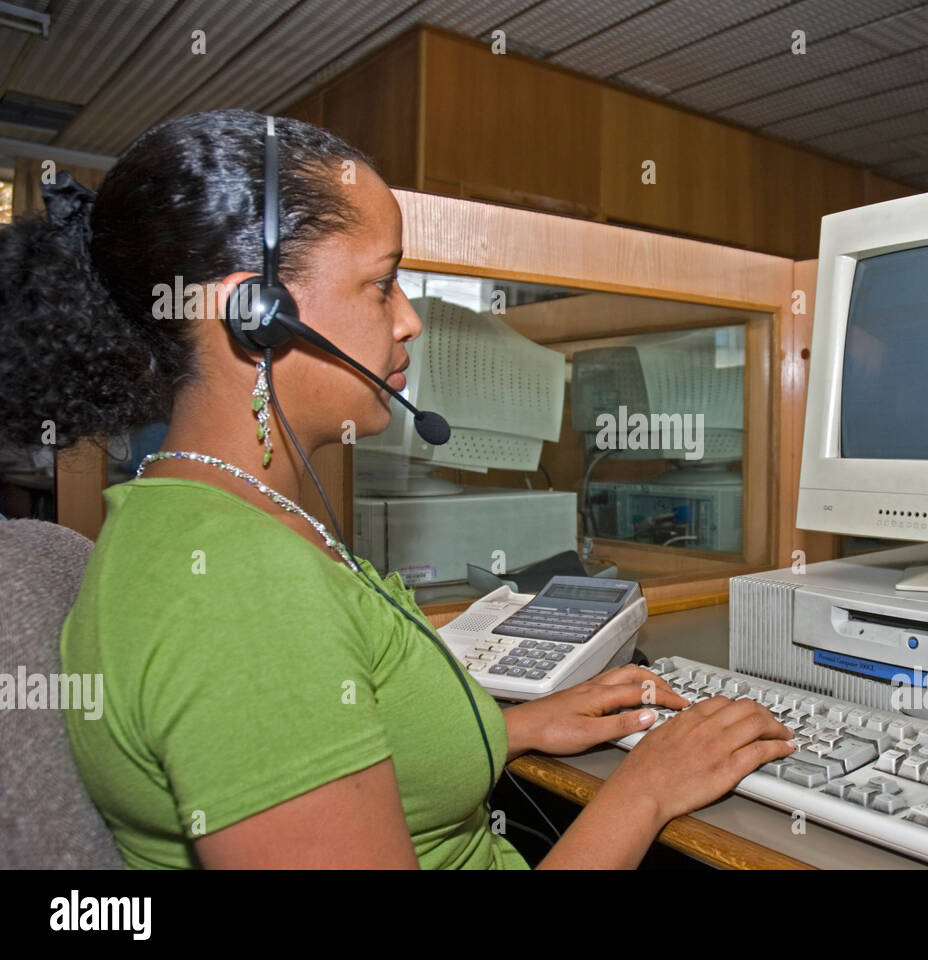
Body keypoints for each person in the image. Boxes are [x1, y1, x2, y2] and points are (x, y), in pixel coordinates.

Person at [0, 109, 796, 869]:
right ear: (257, 316)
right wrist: (644, 792)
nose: (410, 320)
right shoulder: (236, 590)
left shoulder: (208, 512)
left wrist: (508, 728)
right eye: (383, 285)